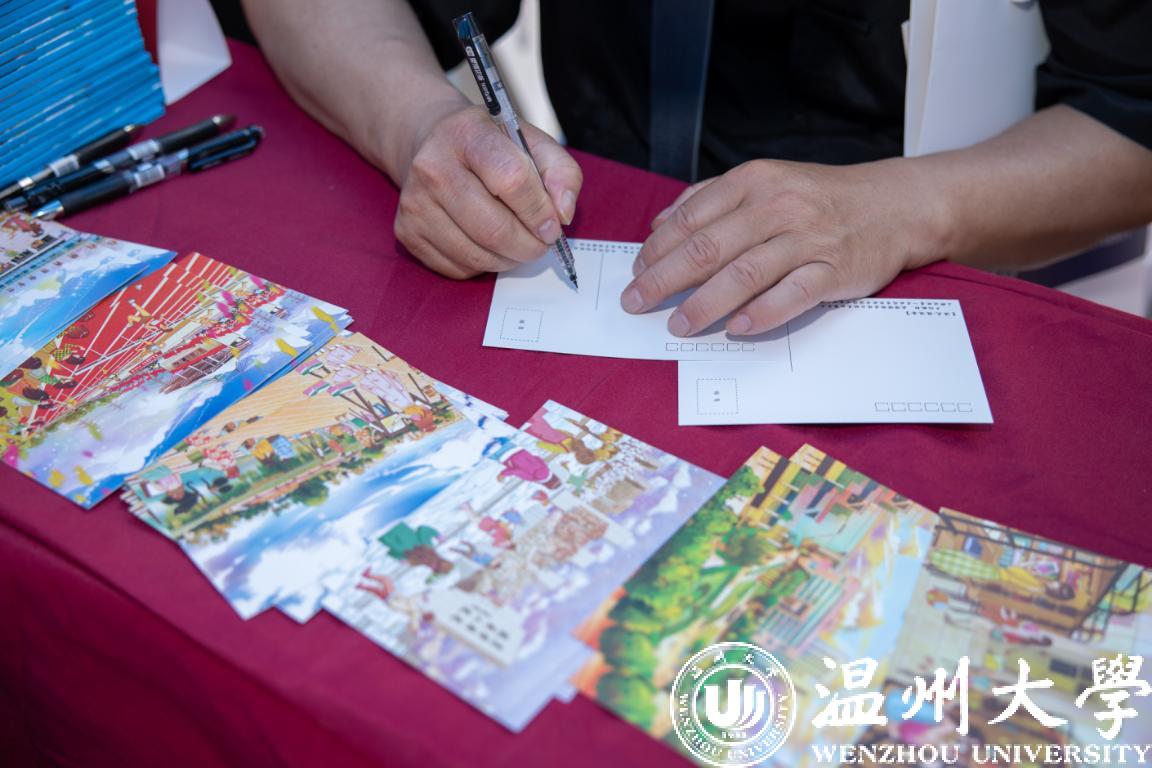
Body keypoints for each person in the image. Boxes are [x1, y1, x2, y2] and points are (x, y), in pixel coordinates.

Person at [238, 0, 1152, 336]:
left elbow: (1133, 110)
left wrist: (910, 207)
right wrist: (419, 121)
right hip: (608, 199)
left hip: (952, 236)